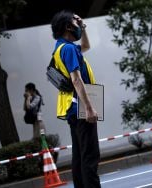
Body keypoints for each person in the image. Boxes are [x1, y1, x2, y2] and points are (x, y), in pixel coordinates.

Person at [50, 10, 101, 187]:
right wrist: (89, 107)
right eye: (75, 23)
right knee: (90, 156)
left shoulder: (61, 47)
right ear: (68, 26)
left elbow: (85, 47)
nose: (78, 25)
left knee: (79, 156)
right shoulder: (70, 49)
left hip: (72, 108)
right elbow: (76, 79)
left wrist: (84, 28)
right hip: (80, 108)